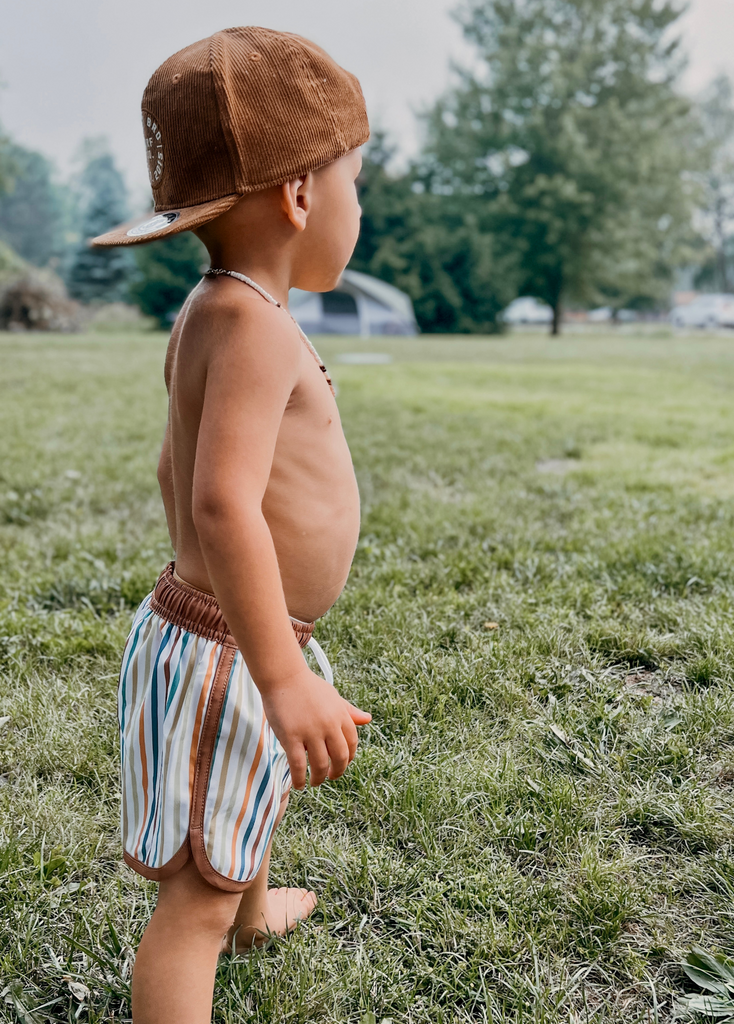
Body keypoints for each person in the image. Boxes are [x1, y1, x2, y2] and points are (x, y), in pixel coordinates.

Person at [92, 26, 372, 1024]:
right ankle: (225, 917)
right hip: (229, 648)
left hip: (219, 631)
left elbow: (177, 465)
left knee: (247, 792)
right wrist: (279, 673)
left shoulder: (216, 306)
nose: (357, 208)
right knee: (190, 903)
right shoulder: (254, 328)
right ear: (300, 193)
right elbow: (219, 500)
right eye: (353, 184)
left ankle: (252, 910)